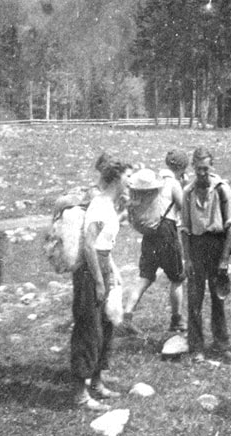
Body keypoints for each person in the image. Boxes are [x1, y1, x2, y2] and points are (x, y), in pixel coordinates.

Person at [71, 154, 130, 411]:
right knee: (89, 328)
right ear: (116, 178)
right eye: (127, 176)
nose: (129, 181)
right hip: (89, 271)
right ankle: (80, 394)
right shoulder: (99, 204)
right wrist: (98, 281)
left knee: (106, 325)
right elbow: (89, 245)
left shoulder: (110, 204)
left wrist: (112, 271)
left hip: (103, 265)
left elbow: (106, 244)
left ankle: (96, 382)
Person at [118, 150, 188, 336]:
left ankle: (127, 316)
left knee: (145, 276)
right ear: (182, 168)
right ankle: (177, 320)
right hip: (166, 232)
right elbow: (183, 208)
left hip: (150, 233)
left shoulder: (154, 181)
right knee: (177, 278)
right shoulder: (173, 183)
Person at [180, 147, 231, 361]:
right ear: (193, 168)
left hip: (216, 244)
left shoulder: (222, 189)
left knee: (218, 296)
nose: (202, 173)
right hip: (196, 246)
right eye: (198, 169)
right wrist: (187, 258)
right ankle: (196, 346)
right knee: (195, 298)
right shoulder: (188, 192)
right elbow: (184, 228)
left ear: (212, 166)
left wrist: (225, 259)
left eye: (206, 168)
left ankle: (221, 343)